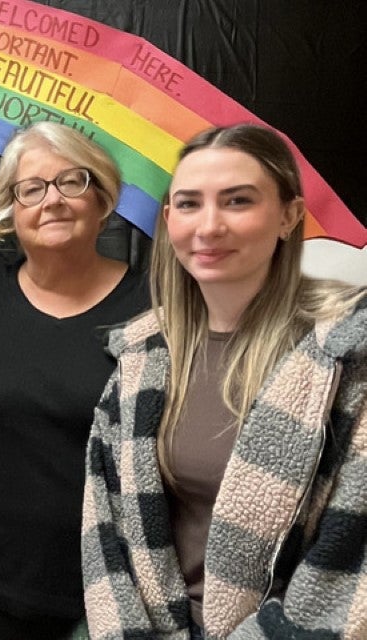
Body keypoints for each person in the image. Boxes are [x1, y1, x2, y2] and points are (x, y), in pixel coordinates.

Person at [82, 124, 367, 639]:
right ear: (168, 220)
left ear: (288, 216)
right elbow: (106, 527)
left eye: (237, 201)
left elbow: (350, 562)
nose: (208, 227)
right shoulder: (140, 357)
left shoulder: (346, 357)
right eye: (189, 204)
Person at [0, 122, 151, 639]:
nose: (51, 201)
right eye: (31, 189)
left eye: (72, 182)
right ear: (10, 211)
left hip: (117, 598)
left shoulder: (156, 310)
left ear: (103, 199)